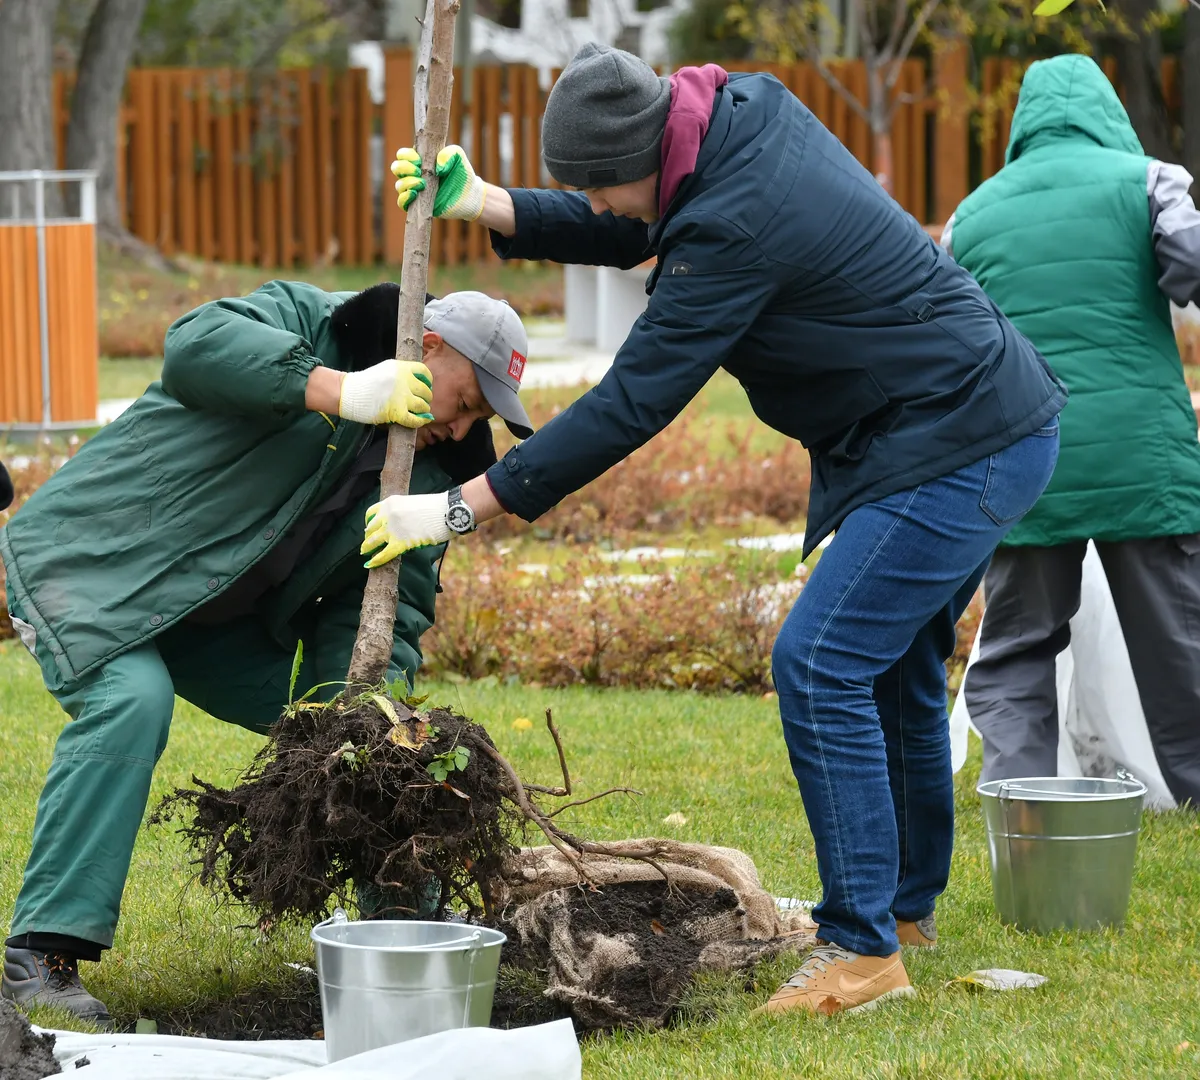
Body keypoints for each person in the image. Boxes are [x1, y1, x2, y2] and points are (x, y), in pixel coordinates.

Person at [371, 43, 1066, 1014]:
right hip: (954, 421)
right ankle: (901, 912)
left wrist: (459, 507)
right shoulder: (733, 124)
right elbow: (641, 217)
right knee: (896, 664)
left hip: (960, 439)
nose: (606, 211)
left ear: (646, 156)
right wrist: (490, 201)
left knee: (819, 661)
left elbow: (631, 403)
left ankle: (862, 951)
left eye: (601, 192)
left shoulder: (738, 221)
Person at [0, 281, 532, 1025]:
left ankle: (402, 938)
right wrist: (338, 388)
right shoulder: (314, 324)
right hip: (95, 561)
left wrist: (367, 716)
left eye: (481, 416)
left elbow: (386, 609)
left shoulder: (429, 470)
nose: (464, 425)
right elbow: (194, 348)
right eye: (468, 400)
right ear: (430, 347)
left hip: (215, 624)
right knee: (131, 700)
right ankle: (41, 953)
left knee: (373, 747)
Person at [943, 55, 1200, 807]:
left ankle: (1019, 797)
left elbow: (944, 334)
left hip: (1026, 462)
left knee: (1019, 644)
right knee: (1179, 644)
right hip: (1140, 458)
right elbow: (1191, 270)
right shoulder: (1150, 182)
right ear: (1107, 110)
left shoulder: (973, 214)